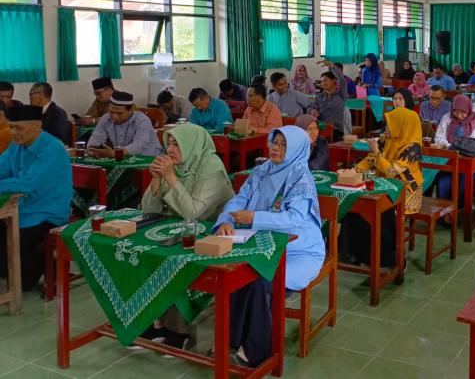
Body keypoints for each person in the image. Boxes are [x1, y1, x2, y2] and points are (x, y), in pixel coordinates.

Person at [214, 127, 325, 368]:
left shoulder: (300, 176)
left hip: (300, 251)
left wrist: (254, 218)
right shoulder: (263, 170)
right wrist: (225, 219)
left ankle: (257, 353)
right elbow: (239, 199)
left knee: (260, 281)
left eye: (283, 144)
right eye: (274, 142)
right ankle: (231, 341)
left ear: (295, 149)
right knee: (235, 274)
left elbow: (294, 219)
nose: (275, 148)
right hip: (264, 243)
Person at [139, 124, 236, 349]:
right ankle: (157, 321)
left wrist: (171, 178)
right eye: (168, 143)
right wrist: (155, 180)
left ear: (191, 144)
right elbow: (148, 211)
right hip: (181, 231)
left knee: (175, 260)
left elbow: (194, 213)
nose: (170, 149)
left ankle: (177, 331)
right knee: (147, 253)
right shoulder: (175, 166)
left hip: (213, 235)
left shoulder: (212, 167)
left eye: (176, 144)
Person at [339, 107, 424, 266]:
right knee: (356, 203)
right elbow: (371, 159)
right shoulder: (388, 138)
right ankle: (354, 252)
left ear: (402, 124)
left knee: (381, 211)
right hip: (383, 185)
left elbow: (392, 171)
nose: (387, 129)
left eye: (390, 125)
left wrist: (377, 151)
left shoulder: (413, 148)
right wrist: (352, 171)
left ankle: (387, 257)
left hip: (407, 191)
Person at [0, 105, 72, 291]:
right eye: (11, 127)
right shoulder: (16, 146)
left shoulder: (52, 149)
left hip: (47, 214)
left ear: (37, 127)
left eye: (19, 128)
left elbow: (27, 183)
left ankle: (31, 271)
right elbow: (2, 169)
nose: (14, 133)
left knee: (20, 273)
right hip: (21, 209)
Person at [434, 95, 475, 203]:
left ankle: (460, 212)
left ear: (469, 109)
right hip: (451, 161)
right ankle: (443, 211)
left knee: (463, 180)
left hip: (472, 164)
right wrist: (453, 148)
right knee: (442, 180)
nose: (460, 116)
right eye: (456, 112)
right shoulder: (447, 118)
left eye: (463, 112)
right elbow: (439, 138)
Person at [87, 92, 163, 158]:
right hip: (122, 158)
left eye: (119, 113)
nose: (114, 116)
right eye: (111, 112)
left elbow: (139, 146)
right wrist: (93, 150)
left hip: (148, 159)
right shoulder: (106, 118)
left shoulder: (142, 120)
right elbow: (95, 140)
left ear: (131, 110)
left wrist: (115, 153)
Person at [310, 61, 348, 139]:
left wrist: (333, 66)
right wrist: (313, 110)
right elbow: (313, 107)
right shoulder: (319, 97)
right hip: (320, 128)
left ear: (334, 81)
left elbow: (342, 80)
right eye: (322, 81)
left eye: (326, 80)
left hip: (335, 130)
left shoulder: (341, 95)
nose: (323, 83)